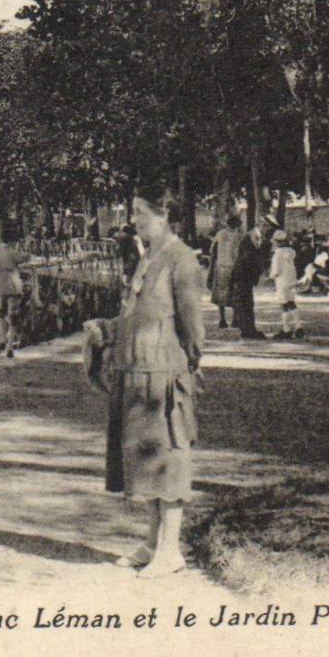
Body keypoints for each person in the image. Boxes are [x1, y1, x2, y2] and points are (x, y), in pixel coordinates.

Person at [81, 185, 205, 578]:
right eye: (133, 212)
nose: (132, 220)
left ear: (164, 214)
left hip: (162, 376)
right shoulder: (147, 258)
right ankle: (153, 543)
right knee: (143, 461)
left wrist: (185, 368)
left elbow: (193, 329)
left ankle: (171, 551)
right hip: (135, 373)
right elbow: (139, 316)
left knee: (168, 460)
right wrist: (105, 329)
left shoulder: (181, 260)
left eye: (139, 212)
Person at [0, 231, 32, 358]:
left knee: (0, 312)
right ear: (13, 242)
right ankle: (10, 345)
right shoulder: (12, 252)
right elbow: (26, 257)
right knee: (13, 316)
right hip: (12, 286)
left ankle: (2, 339)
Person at [229, 217, 268, 340]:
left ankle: (248, 329)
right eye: (265, 226)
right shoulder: (250, 238)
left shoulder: (255, 237)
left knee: (247, 302)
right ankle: (248, 330)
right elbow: (246, 259)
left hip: (245, 275)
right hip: (243, 275)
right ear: (260, 225)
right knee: (246, 302)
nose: (266, 230)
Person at [207, 216, 240, 328]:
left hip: (221, 266)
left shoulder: (220, 234)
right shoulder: (238, 236)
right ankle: (235, 319)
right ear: (237, 225)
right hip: (234, 267)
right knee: (235, 292)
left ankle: (222, 319)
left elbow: (212, 250)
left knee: (221, 293)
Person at [269, 229, 303, 340]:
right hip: (291, 279)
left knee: (283, 305)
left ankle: (286, 329)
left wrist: (270, 276)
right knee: (292, 302)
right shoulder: (291, 252)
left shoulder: (277, 254)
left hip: (281, 281)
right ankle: (298, 326)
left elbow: (276, 271)